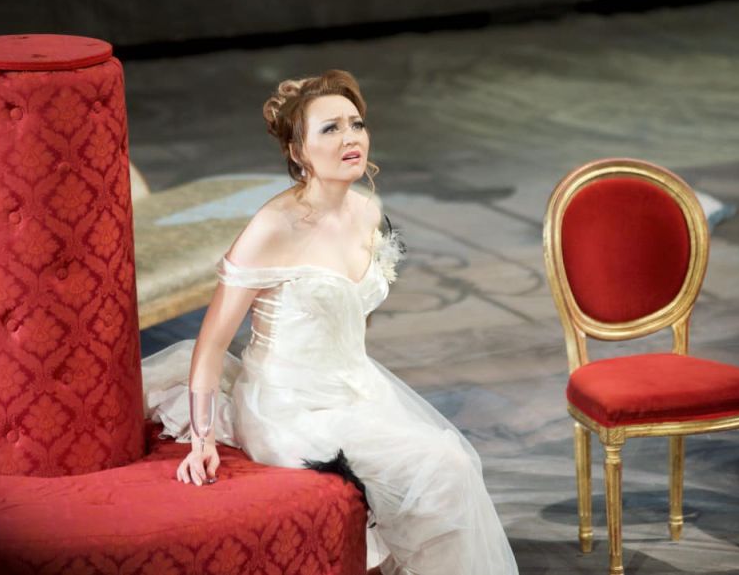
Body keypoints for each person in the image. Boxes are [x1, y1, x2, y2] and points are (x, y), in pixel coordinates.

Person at [141, 70, 518, 574]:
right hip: (288, 406)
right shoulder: (272, 227)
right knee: (440, 466)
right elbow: (210, 345)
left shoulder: (367, 212)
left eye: (355, 124)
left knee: (453, 464)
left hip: (356, 389)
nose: (350, 138)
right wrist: (204, 438)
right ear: (298, 151)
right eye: (330, 129)